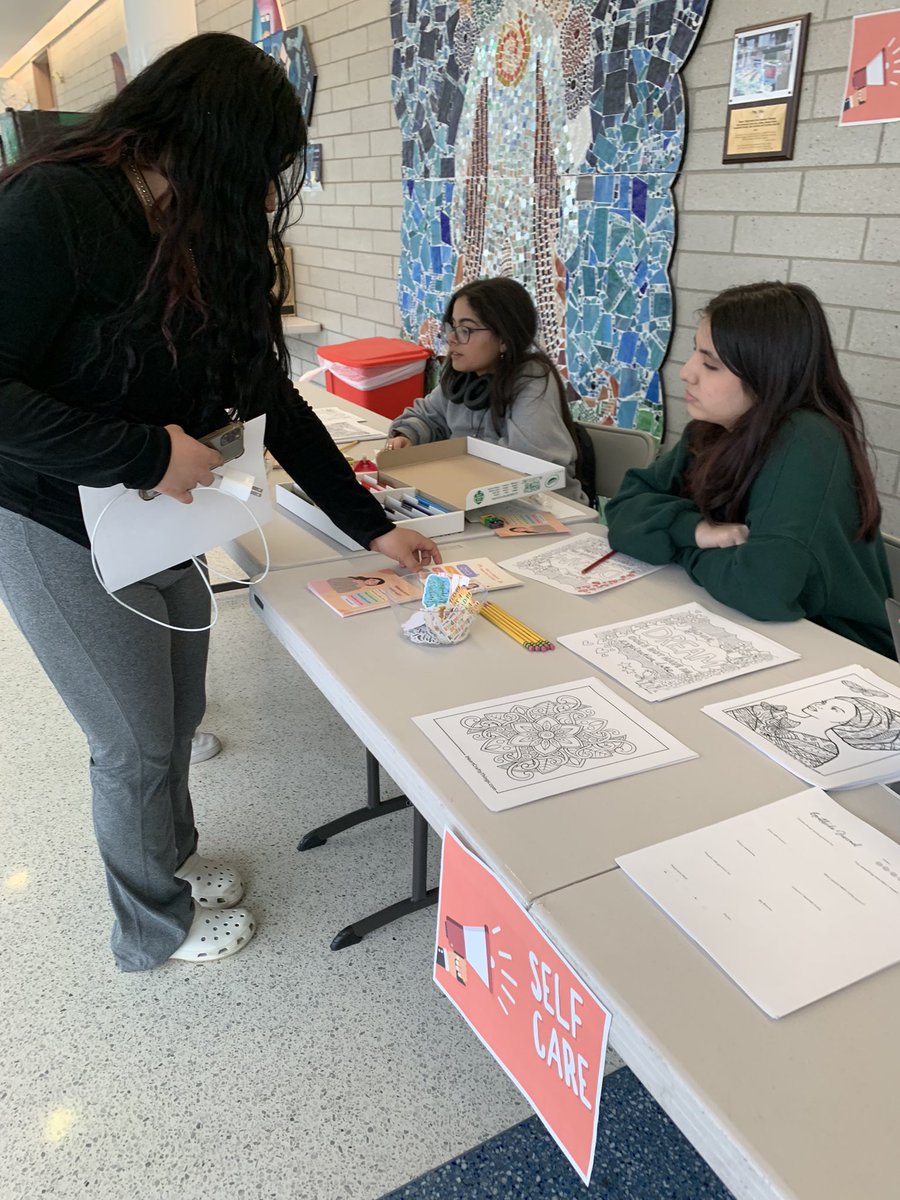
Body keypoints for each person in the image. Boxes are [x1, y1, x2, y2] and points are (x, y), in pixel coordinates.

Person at [0, 32, 440, 972]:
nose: (266, 196)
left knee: (175, 713)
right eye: (260, 171)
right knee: (130, 740)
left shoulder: (203, 234)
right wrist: (145, 451)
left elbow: (274, 399)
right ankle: (149, 929)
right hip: (50, 516)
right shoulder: (57, 205)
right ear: (206, 143)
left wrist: (372, 527)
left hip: (160, 514)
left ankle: (172, 860)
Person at [605, 281, 893, 657]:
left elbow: (761, 587)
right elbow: (623, 509)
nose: (687, 372)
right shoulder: (711, 429)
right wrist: (695, 530)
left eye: (711, 364)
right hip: (748, 629)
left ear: (768, 374)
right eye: (695, 353)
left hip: (838, 651)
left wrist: (678, 544)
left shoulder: (807, 438)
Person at [385, 277, 589, 505]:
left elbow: (528, 461)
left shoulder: (532, 379)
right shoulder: (462, 376)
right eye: (452, 326)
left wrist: (453, 464)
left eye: (466, 329)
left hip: (547, 506)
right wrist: (407, 436)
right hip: (476, 497)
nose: (452, 338)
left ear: (504, 338)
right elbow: (427, 417)